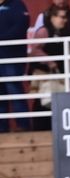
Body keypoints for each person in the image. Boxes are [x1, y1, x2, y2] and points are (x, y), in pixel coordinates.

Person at [0, 0, 31, 133]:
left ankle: (23, 126)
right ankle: (2, 128)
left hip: (12, 57)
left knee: (14, 89)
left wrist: (1, 39)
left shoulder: (17, 4)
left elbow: (20, 26)